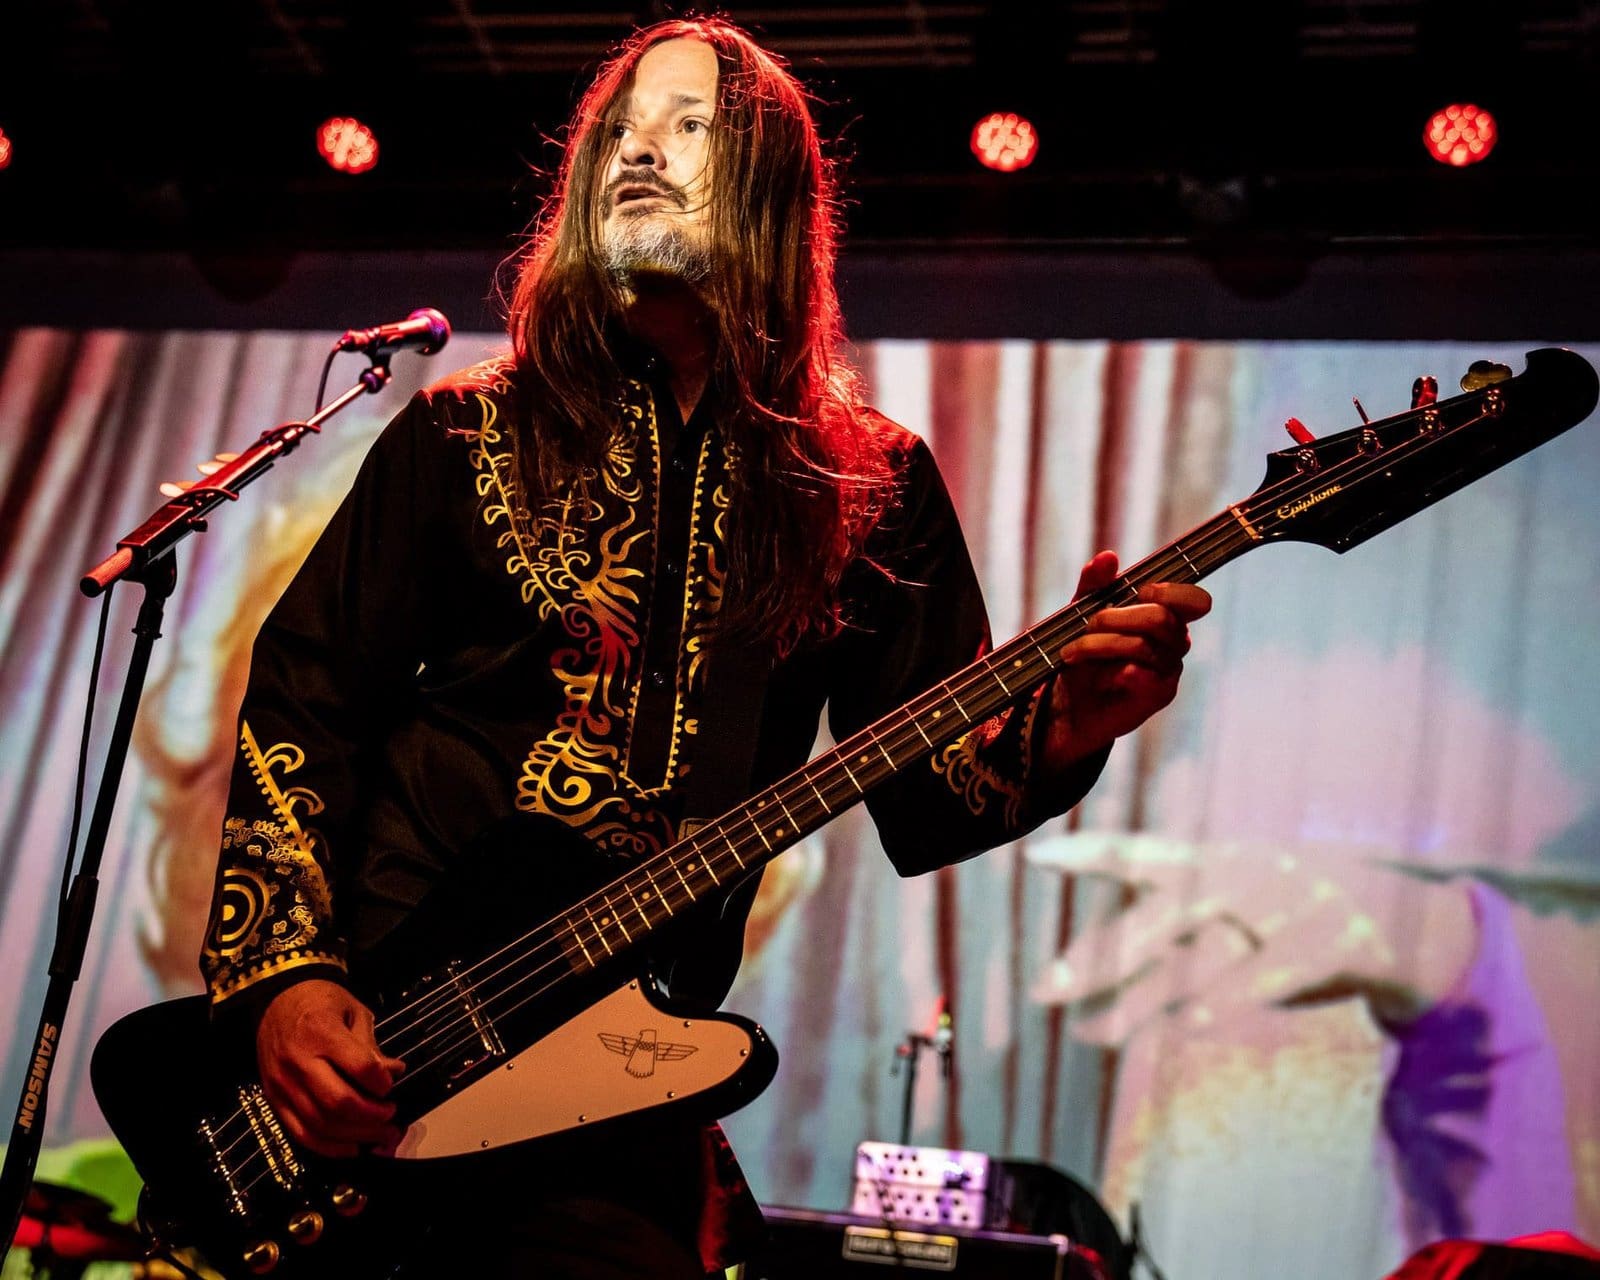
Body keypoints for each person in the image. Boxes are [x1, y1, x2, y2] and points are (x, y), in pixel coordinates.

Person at [195, 15, 1211, 1278]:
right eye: (619, 129)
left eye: (686, 127)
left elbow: (925, 790)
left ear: (773, 189)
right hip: (382, 1031)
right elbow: (306, 696)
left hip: (615, 1076)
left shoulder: (866, 484)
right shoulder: (464, 434)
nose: (637, 151)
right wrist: (286, 976)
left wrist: (1066, 727)